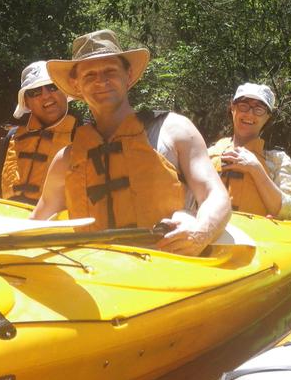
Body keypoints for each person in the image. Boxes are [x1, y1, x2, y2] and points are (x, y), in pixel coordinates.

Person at [30, 29, 230, 256]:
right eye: (89, 75)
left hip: (169, 267)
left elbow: (216, 195)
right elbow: (37, 222)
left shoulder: (175, 131)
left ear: (128, 74)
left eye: (110, 71)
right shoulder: (67, 158)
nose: (101, 81)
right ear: (76, 86)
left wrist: (201, 232)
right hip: (99, 274)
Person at [0, 60, 79, 204]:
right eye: (35, 92)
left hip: (55, 223)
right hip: (12, 217)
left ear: (64, 91)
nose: (45, 95)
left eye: (52, 87)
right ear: (27, 103)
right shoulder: (12, 136)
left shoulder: (83, 136)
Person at [206, 83, 291, 219]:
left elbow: (287, 211)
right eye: (243, 106)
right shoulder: (208, 154)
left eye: (259, 109)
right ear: (232, 108)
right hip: (213, 233)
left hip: (255, 236)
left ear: (267, 117)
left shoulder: (278, 160)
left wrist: (255, 168)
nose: (249, 114)